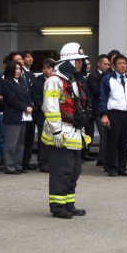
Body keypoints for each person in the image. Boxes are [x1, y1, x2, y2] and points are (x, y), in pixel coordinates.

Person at [41, 42, 91, 219]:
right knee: (61, 172)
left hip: (74, 133)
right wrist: (56, 132)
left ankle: (69, 204)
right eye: (77, 60)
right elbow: (50, 107)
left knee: (73, 171)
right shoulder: (54, 81)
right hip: (61, 134)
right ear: (67, 61)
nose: (80, 64)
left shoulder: (73, 81)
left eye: (81, 61)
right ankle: (57, 207)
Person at [98, 53, 127, 177]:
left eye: (125, 63)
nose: (123, 66)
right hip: (114, 113)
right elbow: (103, 97)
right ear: (114, 65)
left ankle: (122, 167)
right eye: (120, 63)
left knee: (124, 141)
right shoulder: (108, 79)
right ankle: (111, 167)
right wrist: (104, 114)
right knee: (113, 142)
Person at [88, 54, 111, 167]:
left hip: (108, 108)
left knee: (107, 134)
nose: (107, 66)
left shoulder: (110, 76)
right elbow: (97, 91)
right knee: (103, 134)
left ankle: (105, 158)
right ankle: (102, 159)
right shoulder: (93, 76)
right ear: (99, 64)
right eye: (105, 64)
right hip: (97, 109)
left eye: (108, 64)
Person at [32, 58, 55, 173]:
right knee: (43, 141)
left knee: (52, 140)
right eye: (44, 68)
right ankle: (43, 163)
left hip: (55, 116)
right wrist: (46, 109)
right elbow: (37, 98)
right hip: (42, 115)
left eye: (48, 68)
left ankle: (52, 162)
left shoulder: (56, 80)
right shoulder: (38, 81)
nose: (46, 70)